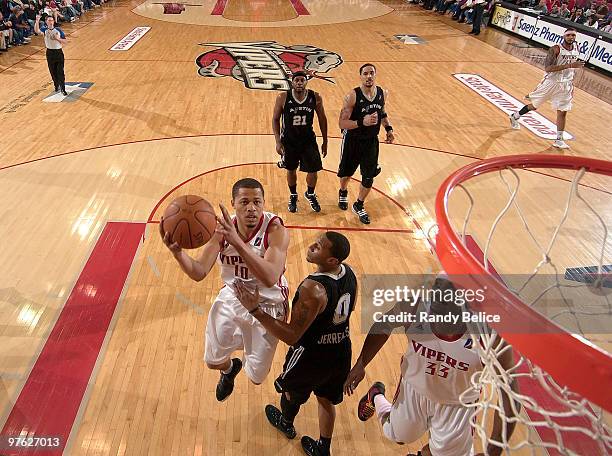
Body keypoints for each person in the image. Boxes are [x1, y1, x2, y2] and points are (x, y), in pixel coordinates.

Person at [344, 276, 518, 456]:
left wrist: (495, 447)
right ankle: (376, 396)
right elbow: (384, 324)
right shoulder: (415, 306)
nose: (431, 304)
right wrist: (361, 363)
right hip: (414, 388)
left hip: (458, 402)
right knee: (398, 436)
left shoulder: (489, 335)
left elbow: (510, 388)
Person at [160, 178, 290, 401]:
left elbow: (270, 277)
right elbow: (199, 272)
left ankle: (250, 350)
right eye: (244, 202)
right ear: (233, 203)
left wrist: (238, 243)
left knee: (256, 377)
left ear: (264, 203)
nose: (251, 208)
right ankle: (230, 369)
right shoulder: (219, 230)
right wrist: (178, 253)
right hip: (234, 296)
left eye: (257, 202)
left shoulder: (275, 229)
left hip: (267, 304)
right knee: (213, 361)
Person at [234, 232, 356, 456]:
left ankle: (286, 423)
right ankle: (323, 449)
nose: (311, 246)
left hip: (310, 356)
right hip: (341, 351)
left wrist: (255, 310)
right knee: (326, 400)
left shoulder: (313, 289)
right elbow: (350, 310)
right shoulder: (349, 273)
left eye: (318, 247)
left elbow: (291, 336)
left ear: (332, 261)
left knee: (291, 393)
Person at [337, 63, 394, 225]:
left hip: (371, 141)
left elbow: (382, 112)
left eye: (371, 73)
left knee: (369, 176)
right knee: (346, 174)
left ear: (375, 75)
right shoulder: (352, 96)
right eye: (365, 73)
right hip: (352, 140)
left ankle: (358, 204)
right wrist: (363, 121)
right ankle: (343, 191)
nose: (369, 76)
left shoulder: (383, 93)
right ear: (360, 76)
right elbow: (342, 123)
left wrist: (388, 129)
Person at [508, 28, 583, 149]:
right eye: (568, 35)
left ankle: (559, 140)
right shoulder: (555, 49)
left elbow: (573, 65)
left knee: (563, 112)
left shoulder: (577, 48)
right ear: (564, 36)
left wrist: (573, 70)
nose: (571, 37)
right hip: (551, 82)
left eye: (573, 35)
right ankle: (515, 116)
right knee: (534, 106)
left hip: (566, 84)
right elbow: (548, 68)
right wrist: (569, 65)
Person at [272, 71, 328, 213]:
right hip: (289, 141)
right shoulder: (283, 97)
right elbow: (275, 119)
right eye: (296, 80)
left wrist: (325, 140)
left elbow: (322, 118)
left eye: (302, 80)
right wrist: (278, 141)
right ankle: (293, 194)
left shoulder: (315, 97)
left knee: (314, 170)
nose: (299, 83)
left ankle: (310, 193)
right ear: (292, 82)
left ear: (306, 81)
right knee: (291, 170)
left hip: (308, 139)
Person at [34, 13, 68, 96]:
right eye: (49, 20)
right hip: (49, 53)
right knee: (53, 71)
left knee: (60, 71)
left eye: (52, 20)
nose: (51, 22)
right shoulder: (44, 30)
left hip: (58, 52)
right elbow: (37, 31)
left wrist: (58, 39)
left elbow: (65, 41)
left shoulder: (58, 30)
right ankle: (56, 85)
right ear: (46, 22)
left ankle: (63, 88)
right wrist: (37, 21)